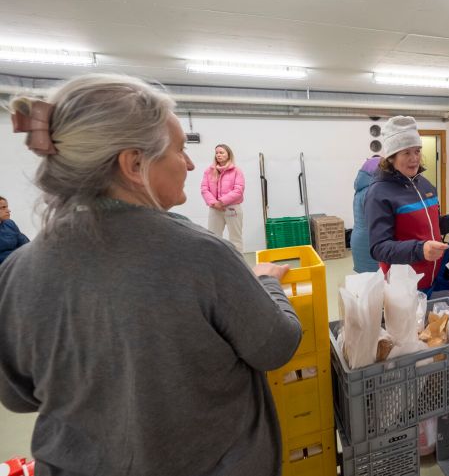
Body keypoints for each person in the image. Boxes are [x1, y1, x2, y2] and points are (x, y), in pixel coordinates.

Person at [1, 74, 302, 476]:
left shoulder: (19, 270)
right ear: (134, 163)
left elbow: (18, 396)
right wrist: (266, 282)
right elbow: (275, 346)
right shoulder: (201, 253)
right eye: (179, 150)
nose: (191, 162)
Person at [364, 116, 449, 292]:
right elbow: (378, 248)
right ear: (391, 157)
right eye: (406, 153)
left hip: (433, 274)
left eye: (417, 151)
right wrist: (420, 249)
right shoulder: (379, 193)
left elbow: (427, 225)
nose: (414, 158)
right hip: (405, 284)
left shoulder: (424, 184)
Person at [201, 143, 245, 252]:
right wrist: (214, 203)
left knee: (235, 238)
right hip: (215, 208)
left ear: (228, 155)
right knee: (213, 238)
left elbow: (238, 190)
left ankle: (238, 265)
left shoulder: (236, 171)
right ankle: (216, 264)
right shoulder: (209, 171)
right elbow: (204, 189)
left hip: (232, 208)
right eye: (216, 153)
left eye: (221, 152)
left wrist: (222, 202)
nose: (218, 155)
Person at [351, 155, 381, 273]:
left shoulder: (362, 189)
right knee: (374, 281)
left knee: (365, 280)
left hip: (359, 238)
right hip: (369, 242)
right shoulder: (372, 191)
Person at [0, 196, 29, 266]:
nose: (8, 210)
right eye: (3, 207)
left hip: (21, 263)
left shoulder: (9, 224)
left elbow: (26, 245)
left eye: (7, 207)